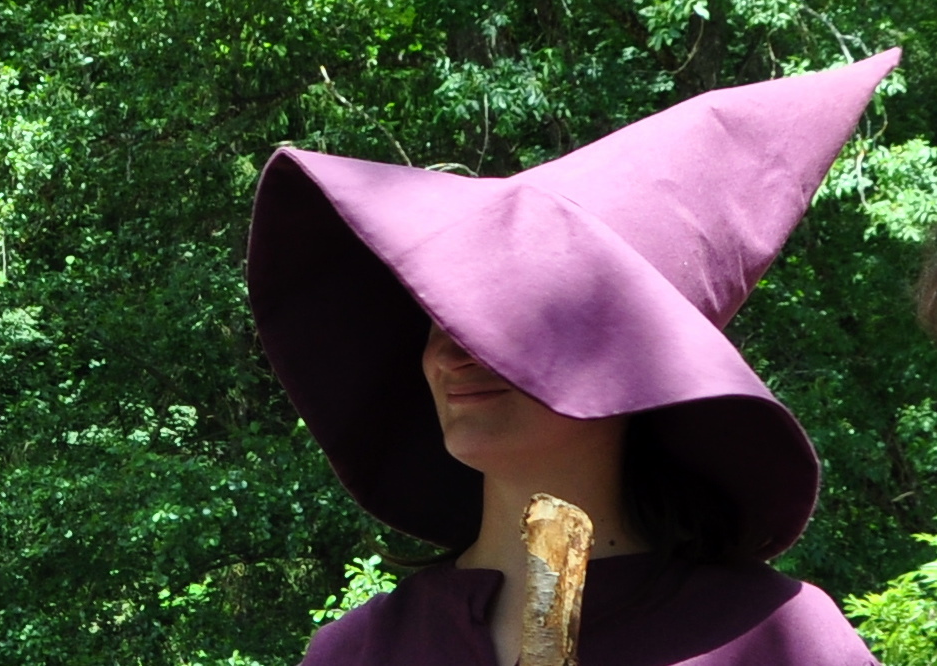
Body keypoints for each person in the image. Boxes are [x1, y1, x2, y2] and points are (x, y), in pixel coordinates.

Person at [247, 48, 901, 666]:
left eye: (500, 317)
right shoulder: (360, 651)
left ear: (624, 360)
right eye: (434, 314)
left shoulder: (780, 639)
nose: (449, 352)